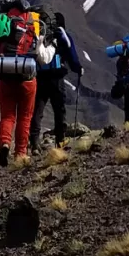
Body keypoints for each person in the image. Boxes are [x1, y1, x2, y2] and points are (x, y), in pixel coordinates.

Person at [0, 6, 55, 167]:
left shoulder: (6, 25)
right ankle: (20, 153)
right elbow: (42, 59)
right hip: (27, 80)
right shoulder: (33, 26)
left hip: (6, 79)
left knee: (7, 116)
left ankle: (4, 143)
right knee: (25, 118)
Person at [30, 11, 83, 152]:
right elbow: (72, 55)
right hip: (57, 79)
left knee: (37, 110)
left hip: (40, 77)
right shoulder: (62, 36)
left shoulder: (40, 35)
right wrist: (78, 68)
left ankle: (34, 143)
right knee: (59, 110)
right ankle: (60, 140)